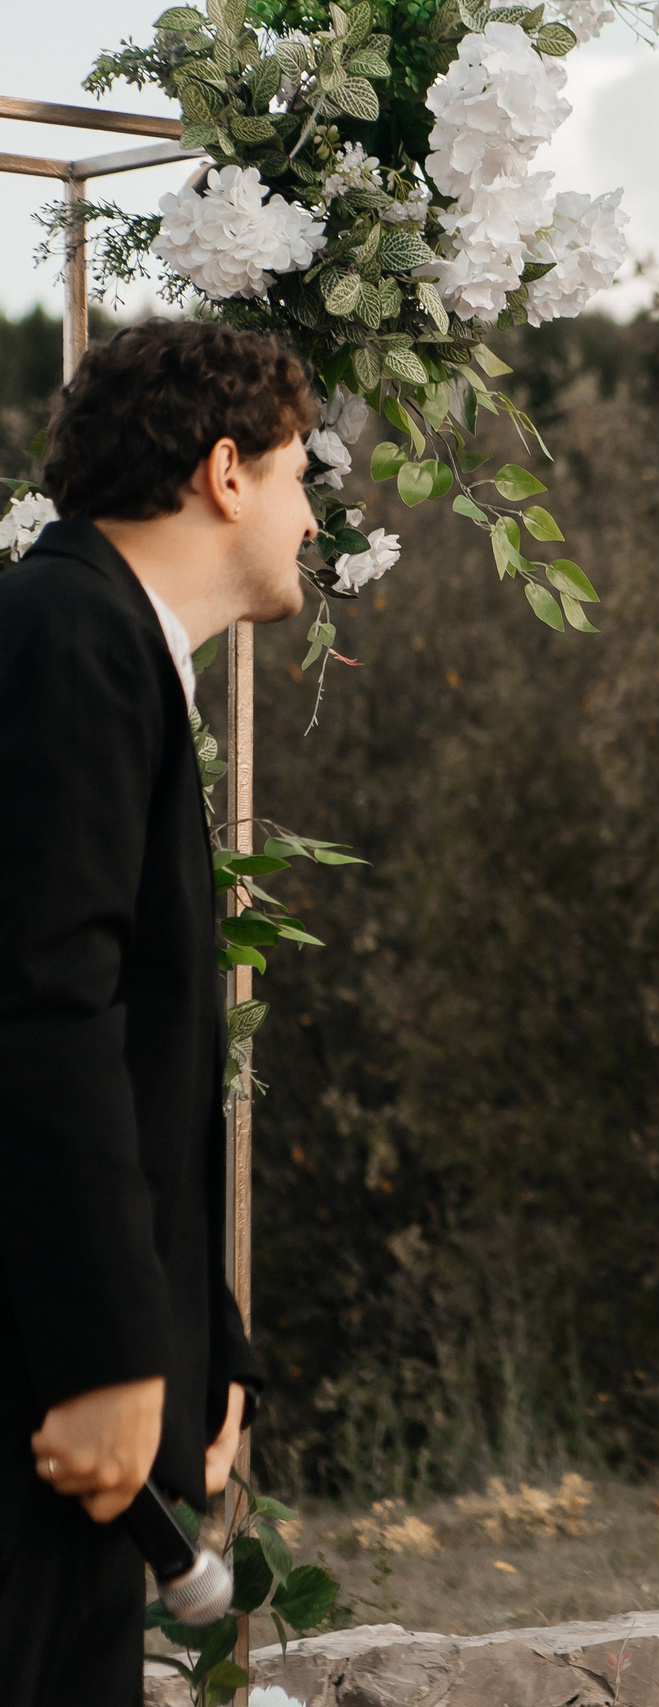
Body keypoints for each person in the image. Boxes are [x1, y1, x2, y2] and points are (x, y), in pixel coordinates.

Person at [0, 320, 315, 1703]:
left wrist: (206, 1343)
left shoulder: (99, 634)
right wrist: (115, 1350)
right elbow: (40, 1006)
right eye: (306, 473)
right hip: (38, 1375)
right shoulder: (67, 635)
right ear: (226, 470)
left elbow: (137, 1055)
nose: (315, 514)